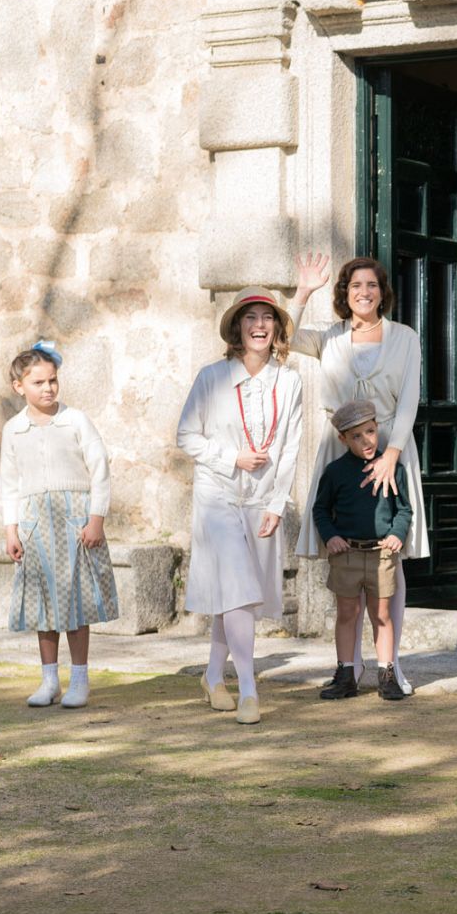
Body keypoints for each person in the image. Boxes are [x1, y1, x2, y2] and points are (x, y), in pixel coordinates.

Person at [288, 255, 428, 697]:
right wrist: (303, 291)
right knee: (347, 555)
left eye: (370, 285)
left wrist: (392, 454)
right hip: (339, 447)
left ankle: (392, 665)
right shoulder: (329, 338)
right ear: (344, 294)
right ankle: (349, 665)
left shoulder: (404, 337)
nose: (363, 292)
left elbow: (408, 400)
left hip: (392, 445)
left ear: (381, 291)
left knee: (390, 557)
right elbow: (282, 337)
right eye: (353, 286)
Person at [177, 288, 304, 725]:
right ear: (237, 327)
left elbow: (289, 449)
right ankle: (248, 687)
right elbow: (187, 436)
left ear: (277, 328)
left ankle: (213, 675)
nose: (259, 325)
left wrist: (277, 501)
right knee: (236, 587)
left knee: (237, 598)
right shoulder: (211, 377)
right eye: (250, 317)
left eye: (267, 317)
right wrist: (231, 457)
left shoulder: (289, 382)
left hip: (261, 498)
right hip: (218, 495)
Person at [1, 341, 119, 709]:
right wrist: (11, 529)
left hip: (75, 523)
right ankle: (49, 679)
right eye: (38, 383)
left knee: (75, 604)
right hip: (36, 526)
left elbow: (100, 469)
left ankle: (79, 679)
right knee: (44, 605)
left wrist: (95, 519)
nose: (48, 388)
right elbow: (10, 483)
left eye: (52, 380)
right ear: (19, 386)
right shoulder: (13, 430)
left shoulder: (76, 420)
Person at [311, 399, 414, 702]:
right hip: (347, 555)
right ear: (342, 439)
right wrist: (330, 536)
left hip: (382, 554)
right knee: (347, 613)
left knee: (381, 614)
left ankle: (387, 674)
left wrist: (397, 533)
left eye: (370, 431)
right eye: (356, 436)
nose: (366, 440)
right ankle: (346, 675)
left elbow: (404, 510)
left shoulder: (393, 468)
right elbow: (320, 510)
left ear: (377, 428)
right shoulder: (335, 472)